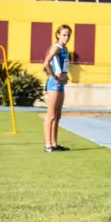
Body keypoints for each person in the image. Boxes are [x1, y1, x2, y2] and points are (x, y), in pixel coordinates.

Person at [42, 24, 72, 153]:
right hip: (54, 84)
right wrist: (54, 76)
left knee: (58, 115)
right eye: (64, 35)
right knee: (51, 115)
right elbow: (46, 63)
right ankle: (48, 145)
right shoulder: (56, 47)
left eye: (69, 35)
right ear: (58, 35)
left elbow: (62, 66)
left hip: (61, 84)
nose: (66, 38)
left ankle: (54, 143)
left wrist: (65, 77)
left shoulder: (65, 49)